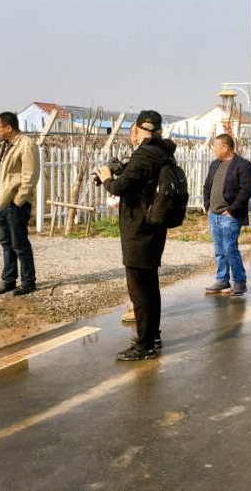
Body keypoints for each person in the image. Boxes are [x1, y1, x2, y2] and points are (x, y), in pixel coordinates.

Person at [96, 110, 175, 361]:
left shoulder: (144, 154)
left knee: (139, 290)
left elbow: (120, 186)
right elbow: (139, 180)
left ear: (137, 129)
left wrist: (107, 178)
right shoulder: (163, 152)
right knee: (150, 286)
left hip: (139, 230)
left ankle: (145, 345)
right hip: (154, 227)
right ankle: (152, 336)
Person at [0, 112, 39, 296]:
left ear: (8, 128)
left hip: (14, 202)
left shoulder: (26, 144)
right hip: (1, 199)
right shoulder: (6, 145)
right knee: (6, 241)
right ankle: (9, 279)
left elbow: (30, 176)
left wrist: (19, 200)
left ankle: (28, 281)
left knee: (19, 243)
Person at [203, 133, 251, 297]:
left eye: (216, 146)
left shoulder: (242, 165)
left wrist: (232, 210)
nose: (213, 149)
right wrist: (207, 205)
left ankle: (239, 281)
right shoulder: (214, 164)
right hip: (214, 214)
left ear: (225, 147)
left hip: (230, 215)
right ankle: (221, 279)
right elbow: (207, 185)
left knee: (230, 248)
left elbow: (246, 190)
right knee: (219, 250)